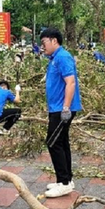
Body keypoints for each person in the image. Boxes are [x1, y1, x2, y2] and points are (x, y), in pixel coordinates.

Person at [40, 28, 82, 198]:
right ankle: (66, 180)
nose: (43, 46)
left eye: (44, 42)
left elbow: (70, 83)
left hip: (62, 109)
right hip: (56, 108)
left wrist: (65, 107)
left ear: (54, 41)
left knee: (53, 142)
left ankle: (64, 182)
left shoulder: (63, 57)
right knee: (61, 142)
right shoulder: (54, 58)